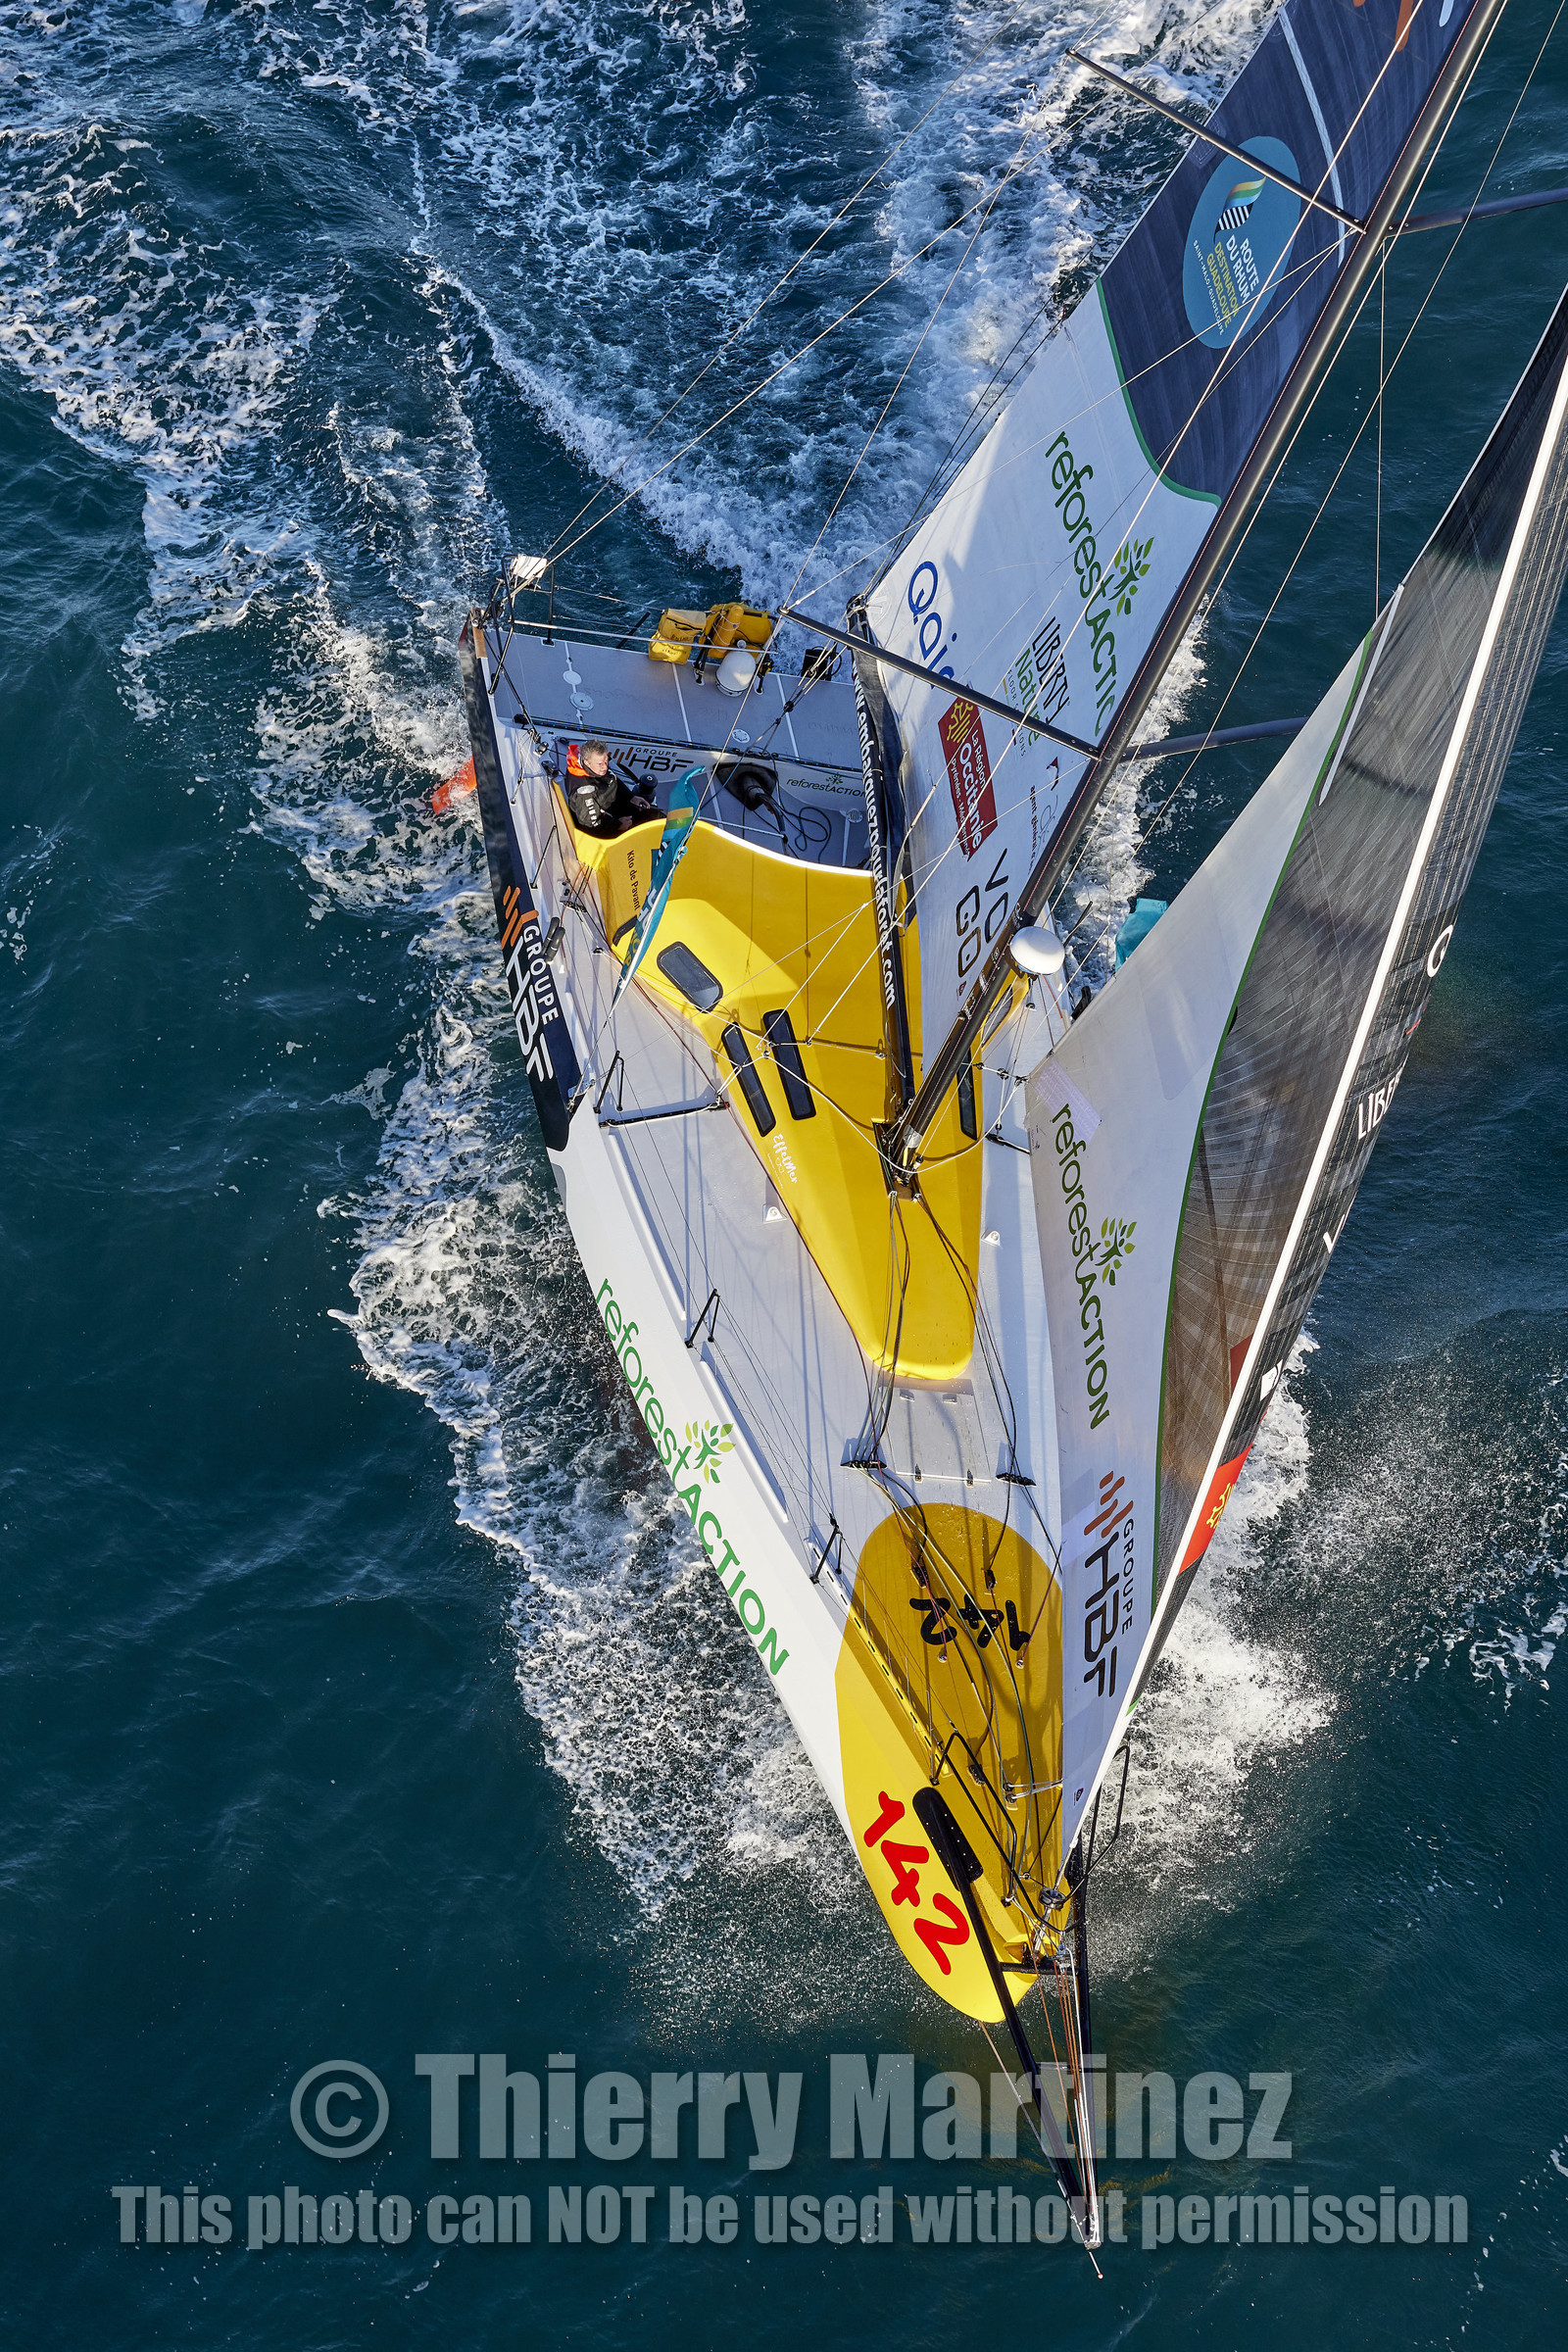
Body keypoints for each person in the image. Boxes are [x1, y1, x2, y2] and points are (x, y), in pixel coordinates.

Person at [564, 739, 656, 836]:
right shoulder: (584, 793)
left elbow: (611, 778)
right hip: (605, 824)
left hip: (612, 804)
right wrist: (618, 825)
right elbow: (591, 825)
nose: (605, 767)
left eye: (606, 761)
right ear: (586, 762)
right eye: (600, 764)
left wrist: (631, 797)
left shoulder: (595, 767)